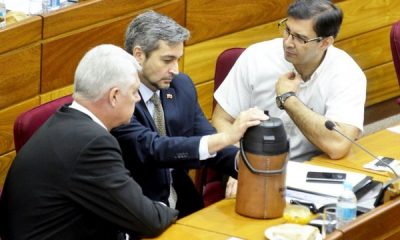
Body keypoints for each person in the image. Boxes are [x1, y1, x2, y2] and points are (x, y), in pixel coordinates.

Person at [0, 44, 178, 240]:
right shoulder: (93, 144)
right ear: (114, 96)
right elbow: (148, 220)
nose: (137, 99)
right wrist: (167, 207)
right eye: (135, 91)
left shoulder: (64, 121)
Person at [111, 10, 267, 218]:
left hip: (184, 202)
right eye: (167, 60)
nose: (175, 69)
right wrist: (228, 136)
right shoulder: (118, 97)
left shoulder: (180, 86)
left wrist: (244, 163)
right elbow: (153, 148)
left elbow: (206, 140)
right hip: (137, 208)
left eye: (178, 60)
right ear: (139, 55)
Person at [213, 0, 366, 162]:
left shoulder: (347, 73)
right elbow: (221, 120)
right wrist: (241, 163)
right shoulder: (256, 57)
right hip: (252, 163)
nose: (288, 43)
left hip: (312, 169)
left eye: (300, 38)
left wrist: (288, 99)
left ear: (325, 43)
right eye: (287, 30)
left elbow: (338, 146)